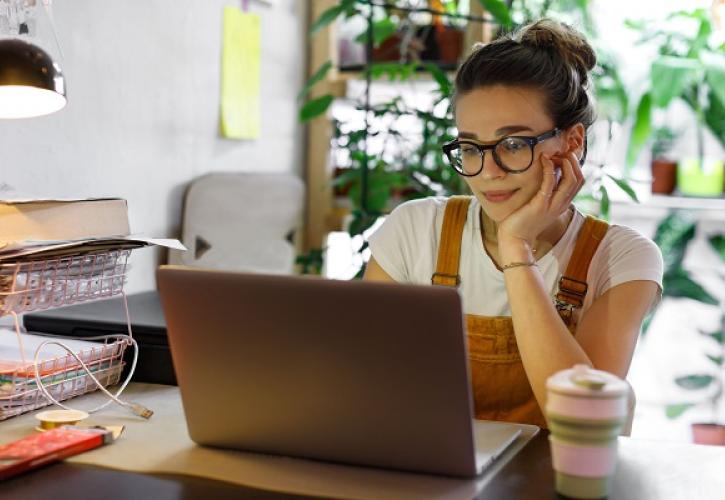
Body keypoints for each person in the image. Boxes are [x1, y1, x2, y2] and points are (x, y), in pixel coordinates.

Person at [363, 19, 663, 431]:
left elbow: (586, 421)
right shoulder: (415, 229)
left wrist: (516, 248)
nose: (487, 172)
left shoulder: (621, 258)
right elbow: (362, 384)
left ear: (571, 142)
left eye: (514, 144)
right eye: (471, 147)